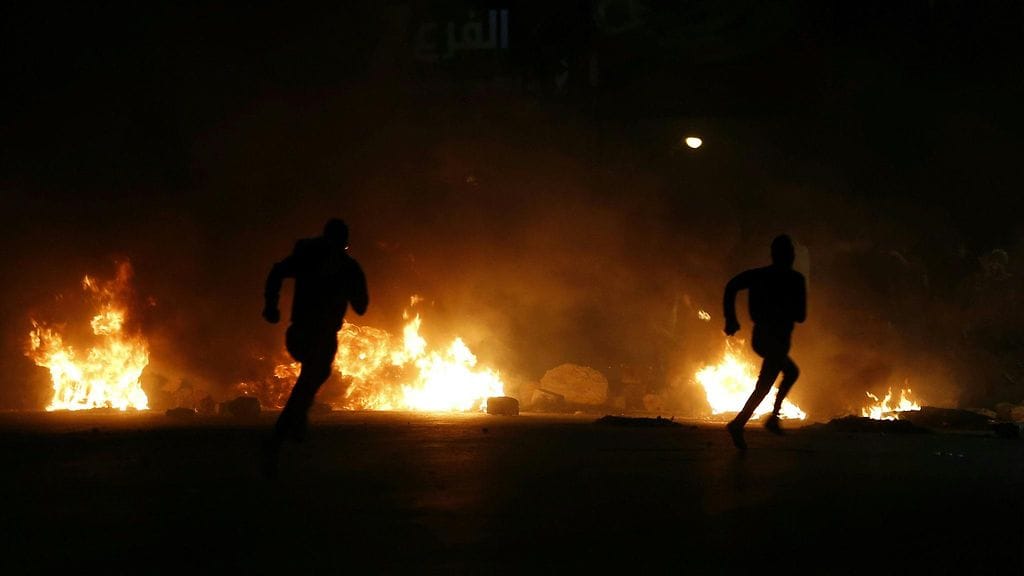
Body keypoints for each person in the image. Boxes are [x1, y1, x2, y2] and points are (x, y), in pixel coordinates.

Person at [262, 218, 368, 464]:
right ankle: (285, 429)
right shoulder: (342, 265)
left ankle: (292, 423)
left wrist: (271, 306)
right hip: (314, 334)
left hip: (302, 333)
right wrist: (270, 305)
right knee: (313, 375)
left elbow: (277, 272)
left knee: (312, 376)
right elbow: (361, 306)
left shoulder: (311, 258)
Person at [722, 235, 806, 449]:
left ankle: (742, 423)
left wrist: (731, 318)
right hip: (768, 339)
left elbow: (732, 286)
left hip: (770, 339)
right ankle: (765, 420)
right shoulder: (791, 279)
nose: (790, 257)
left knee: (776, 380)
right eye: (787, 253)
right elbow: (800, 315)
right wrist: (730, 318)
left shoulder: (769, 277)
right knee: (778, 379)